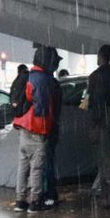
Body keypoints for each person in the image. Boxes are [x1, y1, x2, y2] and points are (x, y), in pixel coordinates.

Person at [13, 47, 57, 212]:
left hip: (24, 126)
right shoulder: (42, 78)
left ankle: (20, 200)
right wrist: (47, 129)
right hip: (37, 128)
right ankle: (35, 201)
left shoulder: (29, 75)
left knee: (23, 165)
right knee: (37, 167)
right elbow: (42, 108)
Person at [87, 44, 110, 208]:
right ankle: (107, 193)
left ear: (100, 56)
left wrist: (94, 122)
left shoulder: (96, 76)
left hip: (100, 118)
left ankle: (107, 195)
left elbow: (95, 101)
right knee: (104, 153)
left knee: (102, 156)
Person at [42, 48, 64, 208]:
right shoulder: (53, 84)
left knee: (44, 162)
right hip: (51, 128)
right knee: (48, 161)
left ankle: (45, 193)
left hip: (44, 128)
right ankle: (49, 194)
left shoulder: (43, 82)